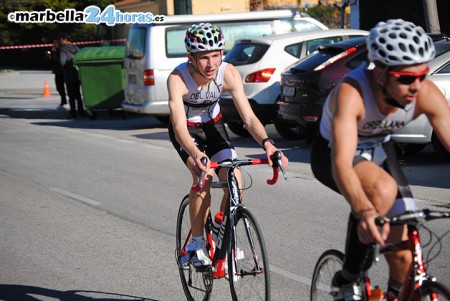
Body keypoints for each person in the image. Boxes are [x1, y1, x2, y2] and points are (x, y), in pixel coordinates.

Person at [310, 19, 450, 301]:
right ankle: (347, 277)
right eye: (406, 78)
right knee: (380, 192)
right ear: (381, 74)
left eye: (422, 75)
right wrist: (364, 210)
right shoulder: (352, 94)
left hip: (379, 150)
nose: (416, 86)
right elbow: (341, 162)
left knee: (404, 256)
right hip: (332, 155)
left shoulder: (425, 92)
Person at [168, 23, 288, 267]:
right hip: (187, 132)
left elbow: (249, 118)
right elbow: (179, 127)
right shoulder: (178, 79)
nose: (211, 64)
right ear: (191, 58)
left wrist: (268, 144)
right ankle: (197, 244)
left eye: (216, 55)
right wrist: (195, 153)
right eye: (204, 58)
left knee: (236, 180)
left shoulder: (229, 72)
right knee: (205, 175)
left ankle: (224, 232)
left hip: (213, 126)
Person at [59, 35, 84, 119]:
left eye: (62, 39)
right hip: (77, 74)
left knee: (71, 95)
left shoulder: (64, 50)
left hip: (69, 75)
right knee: (78, 94)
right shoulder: (76, 48)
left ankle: (73, 112)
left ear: (66, 39)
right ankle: (81, 112)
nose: (60, 41)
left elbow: (62, 62)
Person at [45, 39, 66, 107]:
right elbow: (53, 62)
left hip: (62, 70)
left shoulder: (60, 50)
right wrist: (49, 56)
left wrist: (53, 54)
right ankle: (63, 99)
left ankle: (64, 100)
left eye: (55, 43)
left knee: (62, 86)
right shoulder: (55, 51)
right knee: (59, 87)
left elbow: (59, 61)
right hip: (58, 71)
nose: (54, 45)